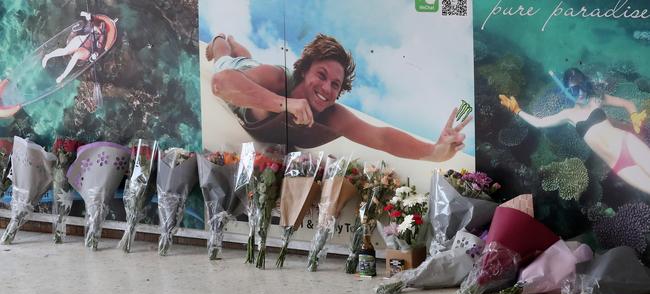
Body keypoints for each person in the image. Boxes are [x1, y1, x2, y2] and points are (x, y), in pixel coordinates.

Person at [207, 33, 471, 162]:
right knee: (225, 57)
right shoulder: (279, 79)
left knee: (250, 60)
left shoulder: (331, 114)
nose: (326, 88)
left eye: (335, 84)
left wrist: (434, 152)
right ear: (303, 69)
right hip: (239, 77)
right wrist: (286, 104)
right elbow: (221, 84)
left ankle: (241, 49)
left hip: (255, 78)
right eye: (321, 75)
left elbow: (382, 138)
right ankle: (224, 40)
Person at [499, 67, 650, 194]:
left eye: (583, 86)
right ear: (567, 92)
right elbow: (539, 123)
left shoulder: (596, 99)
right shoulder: (568, 114)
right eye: (574, 90)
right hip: (618, 164)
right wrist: (518, 110)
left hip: (627, 142)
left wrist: (634, 115)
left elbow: (626, 103)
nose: (581, 93)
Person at [42, 11, 105, 84]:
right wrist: (87, 15)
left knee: (75, 56)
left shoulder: (101, 36)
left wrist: (95, 54)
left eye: (101, 27)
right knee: (65, 51)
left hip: (87, 49)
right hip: (81, 39)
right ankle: (47, 56)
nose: (99, 27)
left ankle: (62, 76)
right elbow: (82, 14)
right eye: (99, 25)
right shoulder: (91, 24)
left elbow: (99, 48)